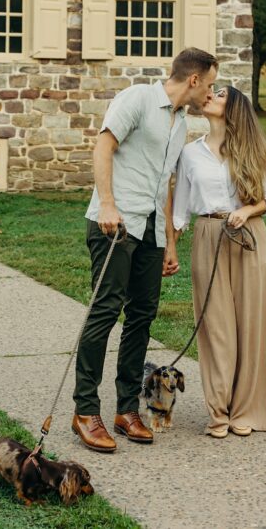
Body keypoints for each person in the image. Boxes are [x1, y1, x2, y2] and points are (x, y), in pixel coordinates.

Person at [73, 48, 218, 453]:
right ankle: (85, 410)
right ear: (193, 79)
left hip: (152, 232)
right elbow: (104, 147)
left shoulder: (180, 123)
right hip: (115, 224)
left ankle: (125, 410)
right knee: (105, 311)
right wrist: (106, 202)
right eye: (208, 84)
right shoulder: (137, 98)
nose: (209, 92)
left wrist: (170, 240)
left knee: (141, 316)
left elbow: (167, 184)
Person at [171, 85, 266, 438]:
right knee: (215, 326)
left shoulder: (255, 150)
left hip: (248, 237)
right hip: (207, 235)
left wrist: (246, 210)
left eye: (219, 95)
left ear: (233, 108)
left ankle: (245, 410)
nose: (209, 96)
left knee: (250, 324)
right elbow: (179, 208)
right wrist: (170, 247)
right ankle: (218, 411)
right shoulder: (190, 154)